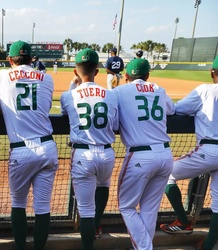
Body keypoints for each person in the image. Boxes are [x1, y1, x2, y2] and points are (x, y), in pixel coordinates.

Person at [0, 40, 59, 250]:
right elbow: (45, 106)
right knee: (42, 207)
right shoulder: (47, 78)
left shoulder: (3, 75)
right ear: (32, 59)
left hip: (21, 149)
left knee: (18, 204)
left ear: (10, 60)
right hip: (48, 147)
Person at [113, 58, 174, 250]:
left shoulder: (120, 91)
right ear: (147, 76)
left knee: (127, 207)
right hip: (165, 155)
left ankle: (144, 248)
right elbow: (172, 110)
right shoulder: (159, 89)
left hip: (139, 156)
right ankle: (142, 247)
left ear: (126, 76)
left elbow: (113, 121)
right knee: (149, 209)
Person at [60, 48, 118, 250]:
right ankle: (97, 225)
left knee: (85, 210)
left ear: (76, 71)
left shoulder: (69, 96)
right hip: (107, 153)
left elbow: (64, 113)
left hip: (83, 154)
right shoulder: (111, 96)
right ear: (97, 71)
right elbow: (116, 124)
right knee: (103, 186)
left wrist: (72, 86)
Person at [159, 56, 218, 250]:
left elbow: (179, 109)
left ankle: (183, 222)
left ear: (212, 72)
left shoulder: (205, 90)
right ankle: (208, 246)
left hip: (209, 150)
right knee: (217, 203)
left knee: (167, 174)